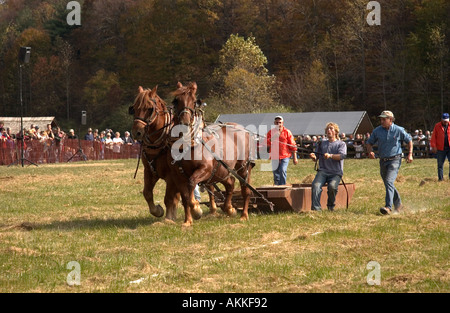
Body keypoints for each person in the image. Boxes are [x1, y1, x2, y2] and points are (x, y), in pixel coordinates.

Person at [366, 110, 413, 215]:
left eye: (384, 119)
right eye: (381, 119)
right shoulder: (377, 131)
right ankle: (399, 204)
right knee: (388, 184)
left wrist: (410, 154)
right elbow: (369, 143)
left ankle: (388, 207)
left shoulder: (398, 130)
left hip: (395, 159)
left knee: (389, 181)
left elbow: (409, 140)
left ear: (390, 120)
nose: (381, 121)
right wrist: (370, 152)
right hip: (383, 161)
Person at [309, 122, 347, 211]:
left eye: (331, 129)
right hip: (323, 171)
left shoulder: (341, 144)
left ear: (336, 132)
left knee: (332, 187)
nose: (329, 130)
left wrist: (330, 156)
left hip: (336, 173)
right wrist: (313, 157)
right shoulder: (321, 143)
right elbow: (316, 157)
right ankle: (316, 209)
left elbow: (342, 156)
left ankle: (330, 206)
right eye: (327, 129)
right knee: (316, 186)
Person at [266, 116, 298, 185]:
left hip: (285, 155)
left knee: (282, 170)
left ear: (282, 123)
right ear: (274, 123)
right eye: (277, 122)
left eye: (280, 122)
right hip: (275, 156)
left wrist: (295, 157)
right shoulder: (270, 132)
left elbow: (292, 145)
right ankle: (277, 186)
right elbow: (267, 143)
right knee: (276, 173)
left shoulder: (287, 132)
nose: (278, 124)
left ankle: (282, 186)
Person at [430, 113, 450, 181]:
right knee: (440, 164)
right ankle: (440, 178)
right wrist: (433, 146)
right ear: (441, 119)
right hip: (441, 148)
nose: (445, 122)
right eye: (444, 120)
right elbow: (433, 137)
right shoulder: (437, 126)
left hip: (449, 148)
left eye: (446, 120)